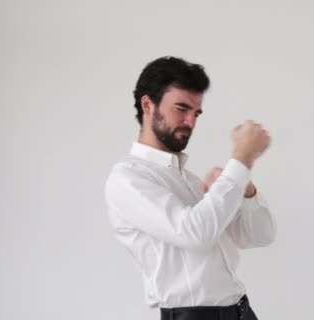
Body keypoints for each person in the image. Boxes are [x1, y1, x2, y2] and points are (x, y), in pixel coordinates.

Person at [104, 56, 276, 320]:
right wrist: (242, 159)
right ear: (148, 105)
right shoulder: (128, 179)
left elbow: (259, 236)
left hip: (242, 312)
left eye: (196, 113)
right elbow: (195, 233)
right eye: (181, 109)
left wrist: (244, 187)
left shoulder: (191, 181)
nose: (190, 122)